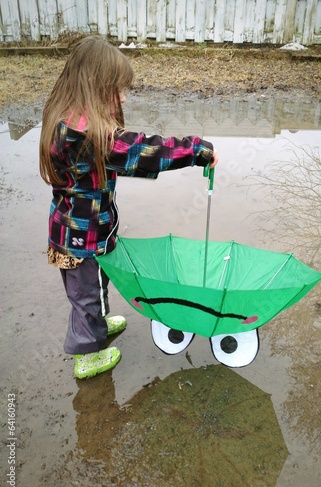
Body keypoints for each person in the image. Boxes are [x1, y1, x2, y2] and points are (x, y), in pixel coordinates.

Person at [39, 36, 218, 380]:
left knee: (97, 284)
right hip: (80, 238)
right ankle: (86, 354)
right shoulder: (86, 135)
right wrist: (197, 150)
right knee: (85, 296)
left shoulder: (69, 119)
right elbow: (141, 151)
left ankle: (100, 324)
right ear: (94, 85)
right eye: (117, 89)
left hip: (90, 230)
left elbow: (124, 155)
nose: (122, 97)